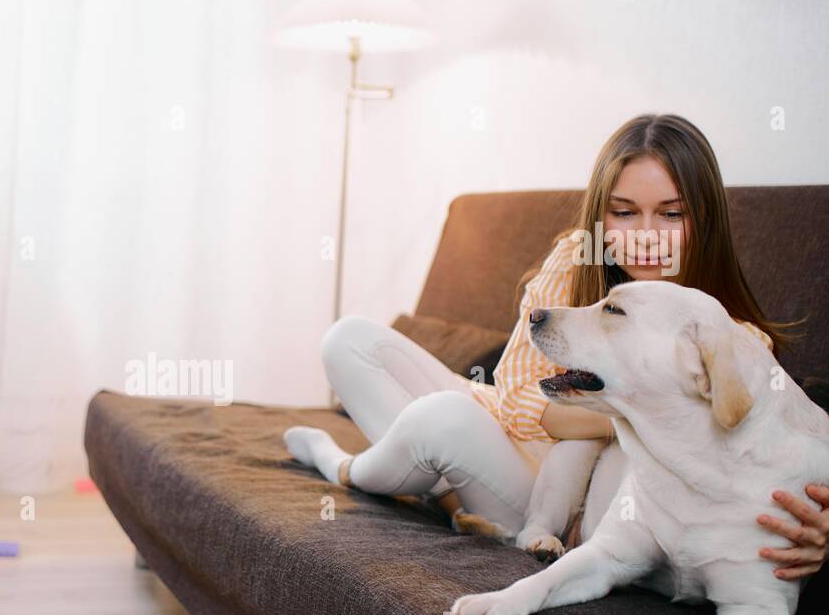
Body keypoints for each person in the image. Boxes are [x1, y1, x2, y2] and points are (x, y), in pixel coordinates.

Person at [284, 113, 828, 581]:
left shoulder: (732, 342)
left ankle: (345, 468)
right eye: (623, 211)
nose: (645, 235)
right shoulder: (575, 261)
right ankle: (446, 490)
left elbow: (764, 449)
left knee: (441, 418)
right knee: (349, 340)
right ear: (600, 214)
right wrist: (634, 408)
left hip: (547, 494)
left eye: (671, 213)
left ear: (702, 220)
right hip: (502, 437)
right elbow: (516, 398)